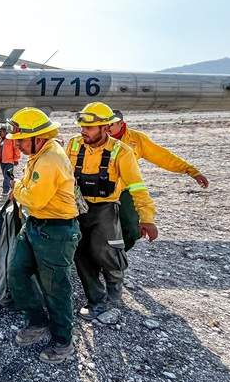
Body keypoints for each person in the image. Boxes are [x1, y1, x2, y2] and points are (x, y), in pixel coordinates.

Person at [67, 102, 158, 319]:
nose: (83, 132)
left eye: (88, 128)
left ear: (105, 128)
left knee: (104, 250)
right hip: (76, 208)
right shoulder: (72, 145)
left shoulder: (121, 152)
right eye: (81, 127)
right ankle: (96, 300)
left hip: (105, 208)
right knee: (80, 253)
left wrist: (147, 218)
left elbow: (137, 186)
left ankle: (114, 283)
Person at [6, 108, 81, 363]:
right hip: (35, 225)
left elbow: (35, 198)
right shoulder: (39, 154)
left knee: (56, 288)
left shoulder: (50, 159)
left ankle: (62, 341)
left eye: (21, 141)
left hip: (56, 231)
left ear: (37, 137)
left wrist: (17, 188)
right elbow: (31, 196)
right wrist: (22, 190)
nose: (17, 146)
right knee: (17, 272)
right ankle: (37, 322)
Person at [109, 110, 209, 250]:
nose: (107, 128)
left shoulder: (137, 139)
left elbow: (163, 157)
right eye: (104, 124)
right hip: (95, 191)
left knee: (132, 230)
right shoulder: (95, 137)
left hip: (124, 191)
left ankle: (114, 257)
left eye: (111, 124)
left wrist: (191, 171)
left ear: (121, 123)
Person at [0, 125, 22, 195]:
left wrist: (16, 159)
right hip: (2, 161)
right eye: (0, 132)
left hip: (9, 161)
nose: (0, 133)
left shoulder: (11, 139)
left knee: (7, 176)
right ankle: (14, 186)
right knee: (8, 176)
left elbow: (16, 149)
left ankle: (5, 191)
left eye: (2, 131)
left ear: (6, 132)